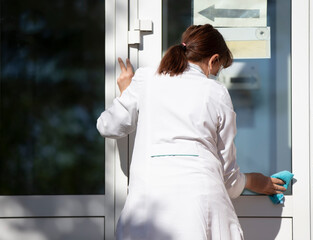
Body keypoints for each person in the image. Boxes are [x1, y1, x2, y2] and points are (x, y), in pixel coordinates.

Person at [97, 24, 286, 240]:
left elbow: (108, 126)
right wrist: (256, 181)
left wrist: (126, 93)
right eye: (217, 70)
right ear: (213, 60)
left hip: (148, 209)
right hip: (201, 209)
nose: (214, 76)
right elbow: (228, 180)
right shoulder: (216, 92)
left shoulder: (146, 78)